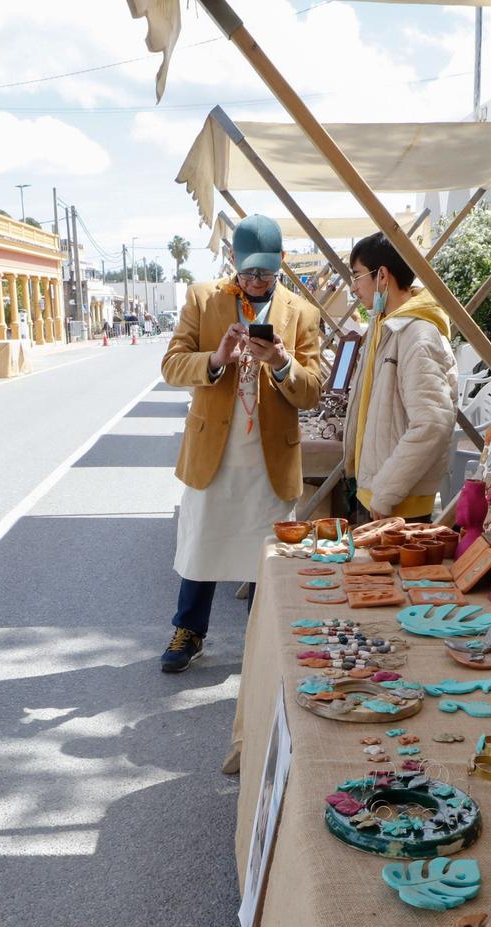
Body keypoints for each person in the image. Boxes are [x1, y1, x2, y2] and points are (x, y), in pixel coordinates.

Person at [158, 214, 324, 672]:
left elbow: (311, 390)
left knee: (266, 554)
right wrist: (216, 358)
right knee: (201, 544)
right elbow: (172, 365)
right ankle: (189, 630)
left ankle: (260, 636)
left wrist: (283, 363)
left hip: (271, 456)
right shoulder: (202, 299)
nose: (255, 281)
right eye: (248, 271)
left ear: (281, 265)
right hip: (214, 449)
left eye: (266, 273)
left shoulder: (302, 313)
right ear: (232, 260)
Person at [343, 231, 458, 523]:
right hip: (380, 496)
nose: (353, 287)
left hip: (397, 506)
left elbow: (432, 422)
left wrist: (385, 494)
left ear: (382, 275)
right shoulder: (386, 326)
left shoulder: (417, 335)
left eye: (357, 276)